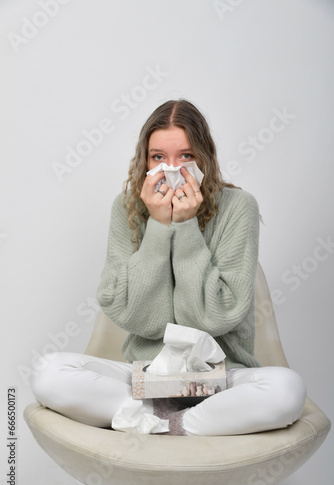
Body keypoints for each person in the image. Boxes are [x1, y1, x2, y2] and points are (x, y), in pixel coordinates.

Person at [31, 100, 306, 436]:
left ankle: (164, 423)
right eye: (158, 157)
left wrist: (186, 226)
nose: (171, 169)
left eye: (185, 156)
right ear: (145, 159)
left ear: (204, 157)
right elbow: (138, 318)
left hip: (220, 376)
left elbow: (213, 320)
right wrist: (159, 228)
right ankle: (172, 418)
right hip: (145, 376)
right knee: (48, 372)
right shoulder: (128, 208)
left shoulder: (238, 207)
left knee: (286, 390)